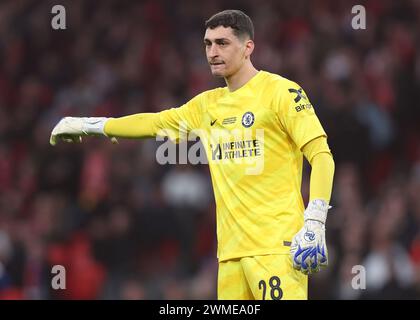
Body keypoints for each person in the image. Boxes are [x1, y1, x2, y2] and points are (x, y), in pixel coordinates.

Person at [50, 10, 335, 300]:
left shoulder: (282, 93)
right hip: (230, 256)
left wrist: (315, 219)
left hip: (277, 247)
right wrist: (92, 125)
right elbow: (154, 123)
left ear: (248, 47)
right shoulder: (207, 106)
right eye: (208, 44)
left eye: (222, 43)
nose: (212, 52)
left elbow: (322, 155)